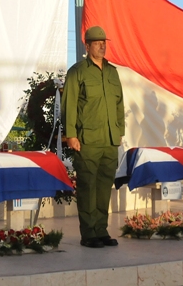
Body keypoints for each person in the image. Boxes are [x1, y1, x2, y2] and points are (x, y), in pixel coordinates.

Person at [62, 26, 125, 249]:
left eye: (104, 42)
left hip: (109, 140)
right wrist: (71, 135)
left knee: (104, 187)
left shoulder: (112, 72)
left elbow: (119, 104)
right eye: (97, 43)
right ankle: (88, 233)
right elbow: (69, 104)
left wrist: (119, 132)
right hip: (86, 140)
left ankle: (102, 230)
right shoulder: (77, 72)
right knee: (88, 186)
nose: (102, 46)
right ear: (87, 46)